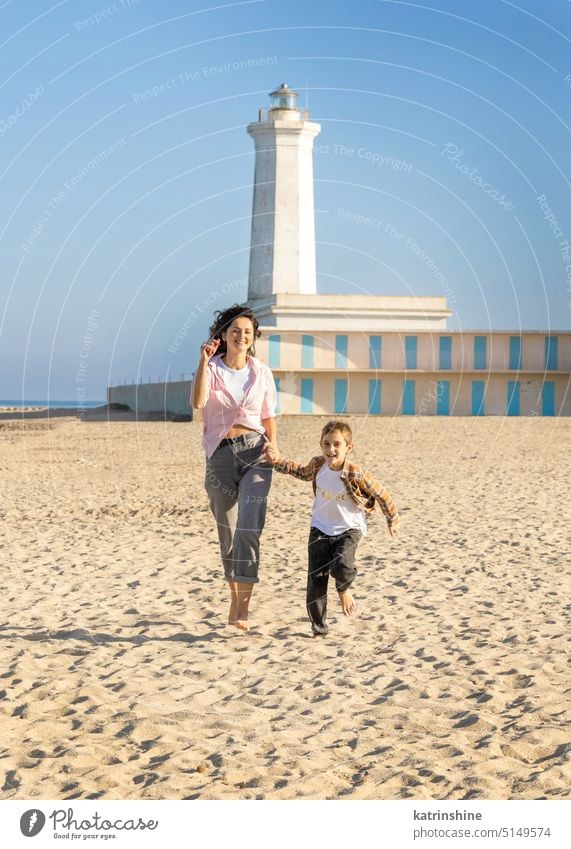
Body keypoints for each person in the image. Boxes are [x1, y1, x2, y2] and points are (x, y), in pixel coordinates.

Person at [265, 420, 399, 636]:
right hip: (319, 529)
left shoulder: (356, 473)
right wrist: (277, 460)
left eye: (337, 444)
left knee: (342, 566)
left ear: (349, 448)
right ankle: (319, 628)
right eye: (326, 444)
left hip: (349, 529)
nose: (331, 450)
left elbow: (381, 494)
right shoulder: (318, 466)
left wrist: (392, 518)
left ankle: (344, 588)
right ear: (321, 445)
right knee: (316, 581)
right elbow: (298, 471)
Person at [191, 304, 278, 632]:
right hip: (220, 455)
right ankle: (234, 595)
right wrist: (202, 361)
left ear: (253, 337)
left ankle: (243, 607)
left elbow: (268, 415)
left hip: (256, 453)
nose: (242, 336)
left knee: (249, 527)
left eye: (248, 332)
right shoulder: (211, 368)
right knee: (227, 533)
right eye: (235, 331)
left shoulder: (262, 372)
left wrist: (274, 445)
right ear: (223, 335)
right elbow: (198, 403)